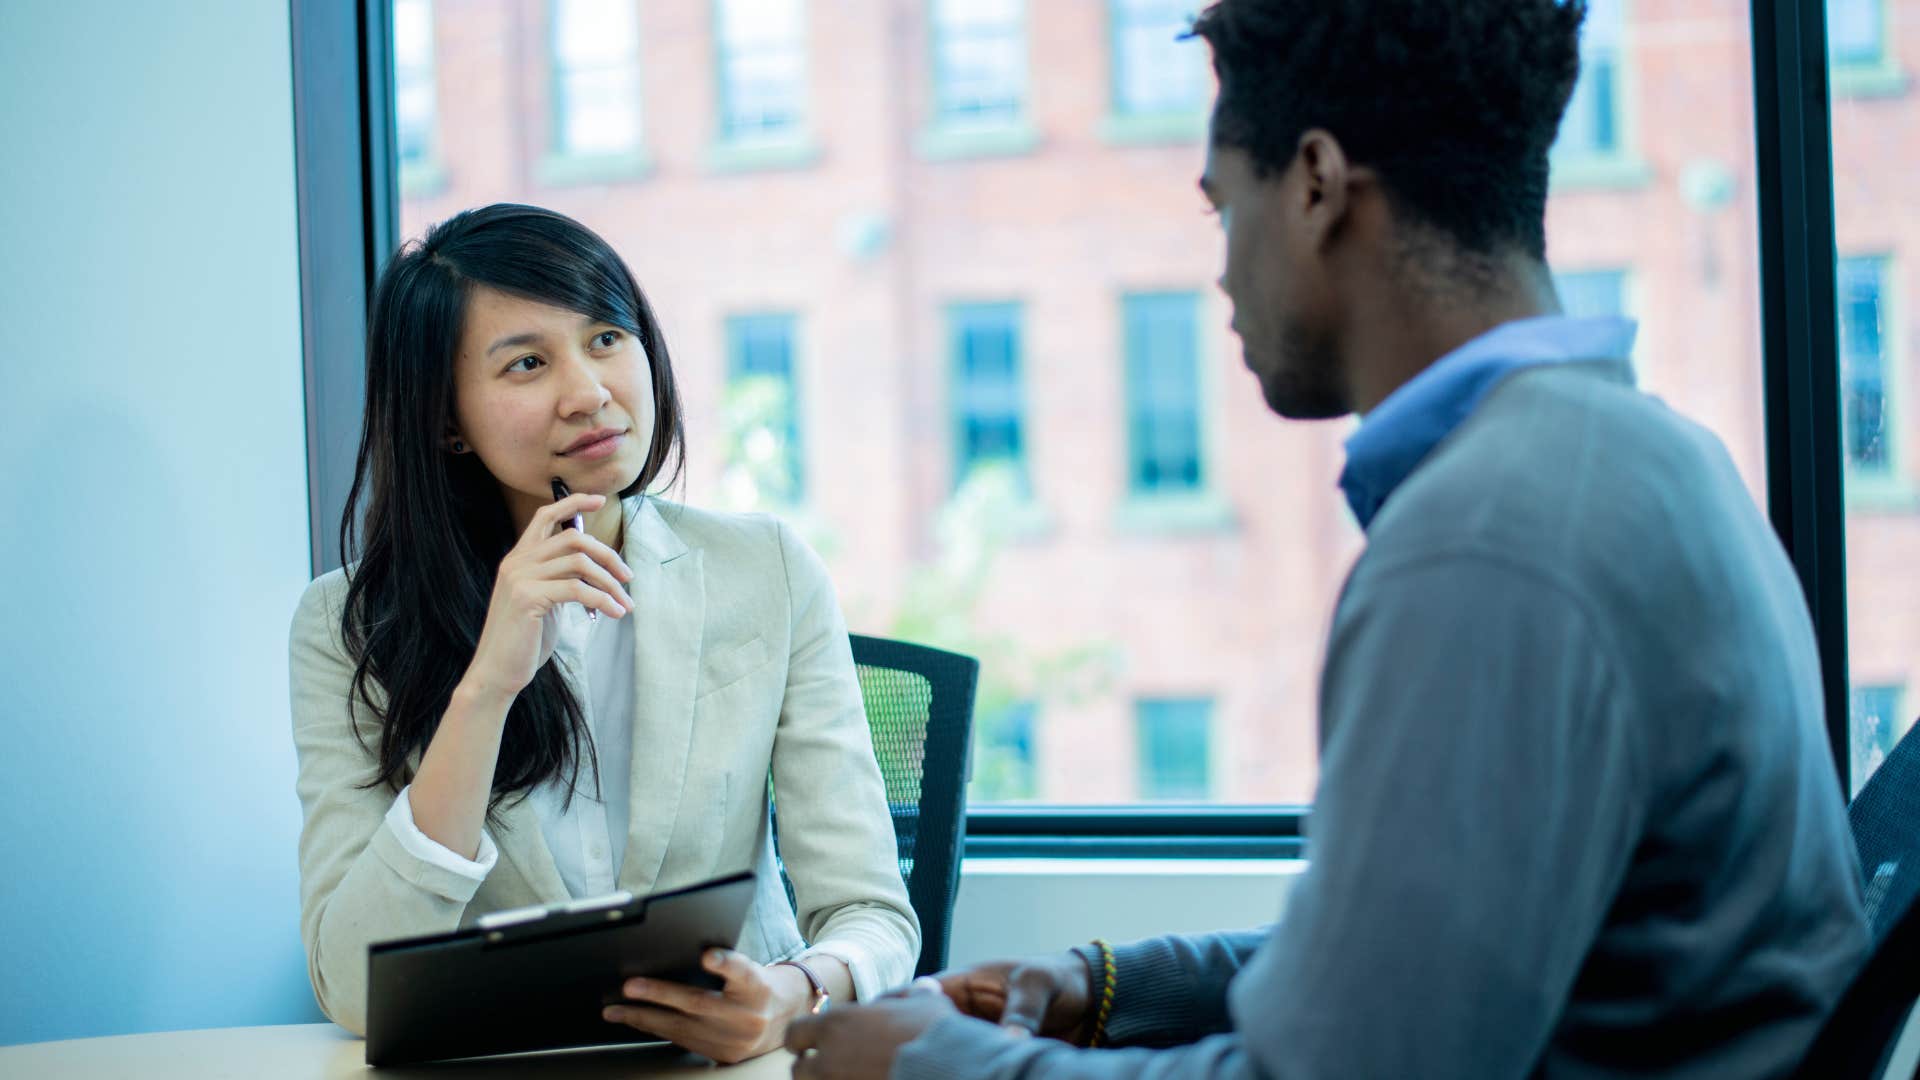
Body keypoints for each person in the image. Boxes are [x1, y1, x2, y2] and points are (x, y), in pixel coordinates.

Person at [786, 1, 1867, 1076]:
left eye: (1222, 211)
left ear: (1313, 184)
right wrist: (1109, 987)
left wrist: (923, 1068)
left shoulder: (1489, 548)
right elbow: (1421, 963)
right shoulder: (1650, 457)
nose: (1221, 272)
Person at [289, 203, 918, 1062]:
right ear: (445, 420)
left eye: (606, 339)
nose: (589, 393)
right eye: (527, 363)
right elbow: (352, 985)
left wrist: (797, 990)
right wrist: (487, 688)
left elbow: (873, 916)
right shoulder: (346, 627)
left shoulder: (765, 571)